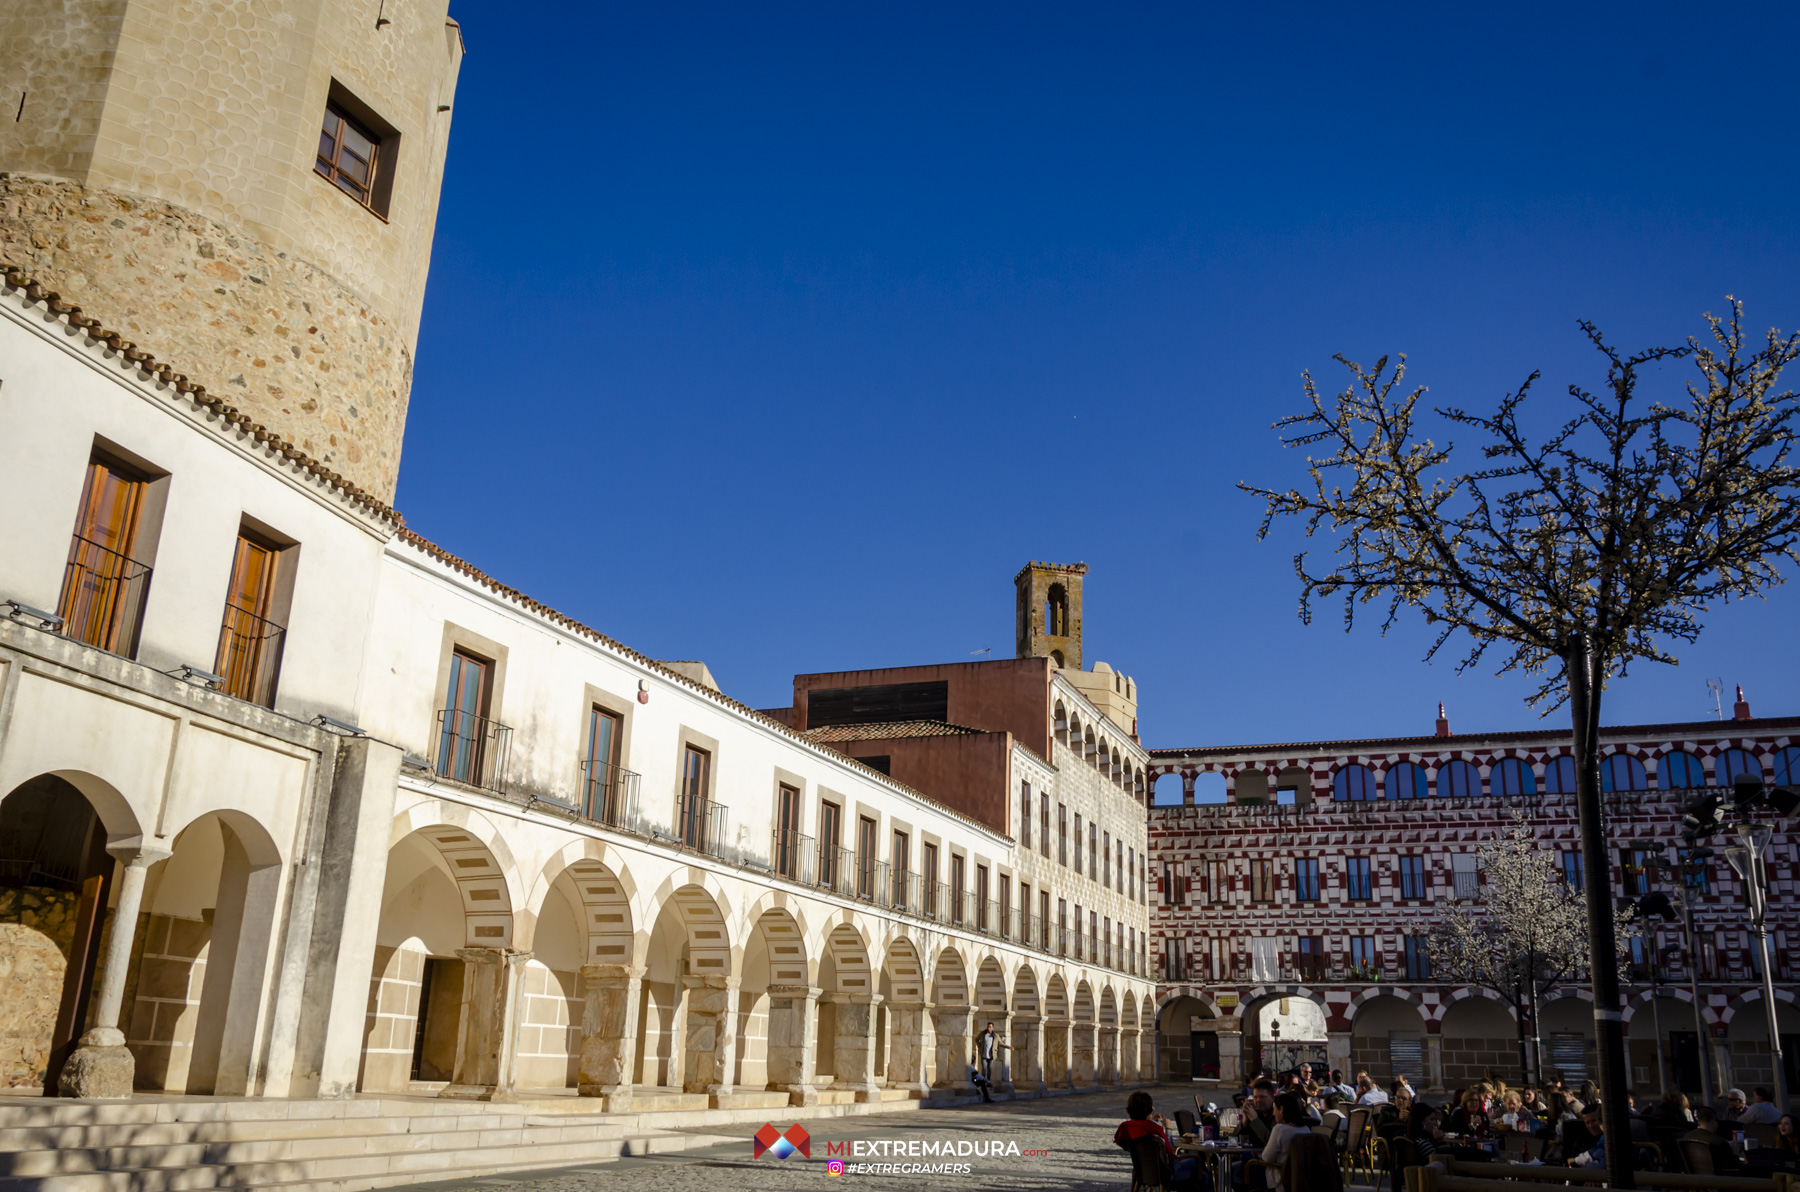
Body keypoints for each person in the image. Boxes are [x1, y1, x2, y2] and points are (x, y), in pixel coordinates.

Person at [1115, 1090, 1205, 1192]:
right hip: (1165, 1174)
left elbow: (1127, 1143)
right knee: (1199, 1164)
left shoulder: (1126, 1127)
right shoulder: (1154, 1128)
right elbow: (1170, 1152)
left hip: (1142, 1171)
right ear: (1149, 1110)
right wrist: (1168, 1129)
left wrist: (1149, 1119)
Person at [1260, 1093, 1312, 1190]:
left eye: (1275, 1109)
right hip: (1301, 1179)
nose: (1273, 1113)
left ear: (1281, 1109)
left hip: (1280, 1179)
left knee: (1238, 1170)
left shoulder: (1280, 1129)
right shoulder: (1306, 1129)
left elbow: (1267, 1158)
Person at [1683, 1108, 1742, 1173]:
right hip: (1717, 1180)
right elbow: (1732, 1166)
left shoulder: (1687, 1137)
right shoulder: (1719, 1142)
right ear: (1713, 1120)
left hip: (1691, 1179)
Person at [1568, 1105, 1606, 1169]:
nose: (1591, 1125)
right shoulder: (1581, 1139)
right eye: (1587, 1123)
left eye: (1594, 1121)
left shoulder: (1608, 1139)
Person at [977, 1021, 1010, 1086]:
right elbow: (976, 1039)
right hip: (984, 1054)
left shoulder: (995, 1035)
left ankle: (988, 1082)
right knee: (984, 1069)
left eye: (990, 1027)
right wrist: (979, 1046)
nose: (989, 1028)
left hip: (991, 1055)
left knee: (989, 1070)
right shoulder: (983, 1034)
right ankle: (982, 1082)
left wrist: (1008, 1047)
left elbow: (1000, 1043)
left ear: (992, 1028)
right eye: (988, 1027)